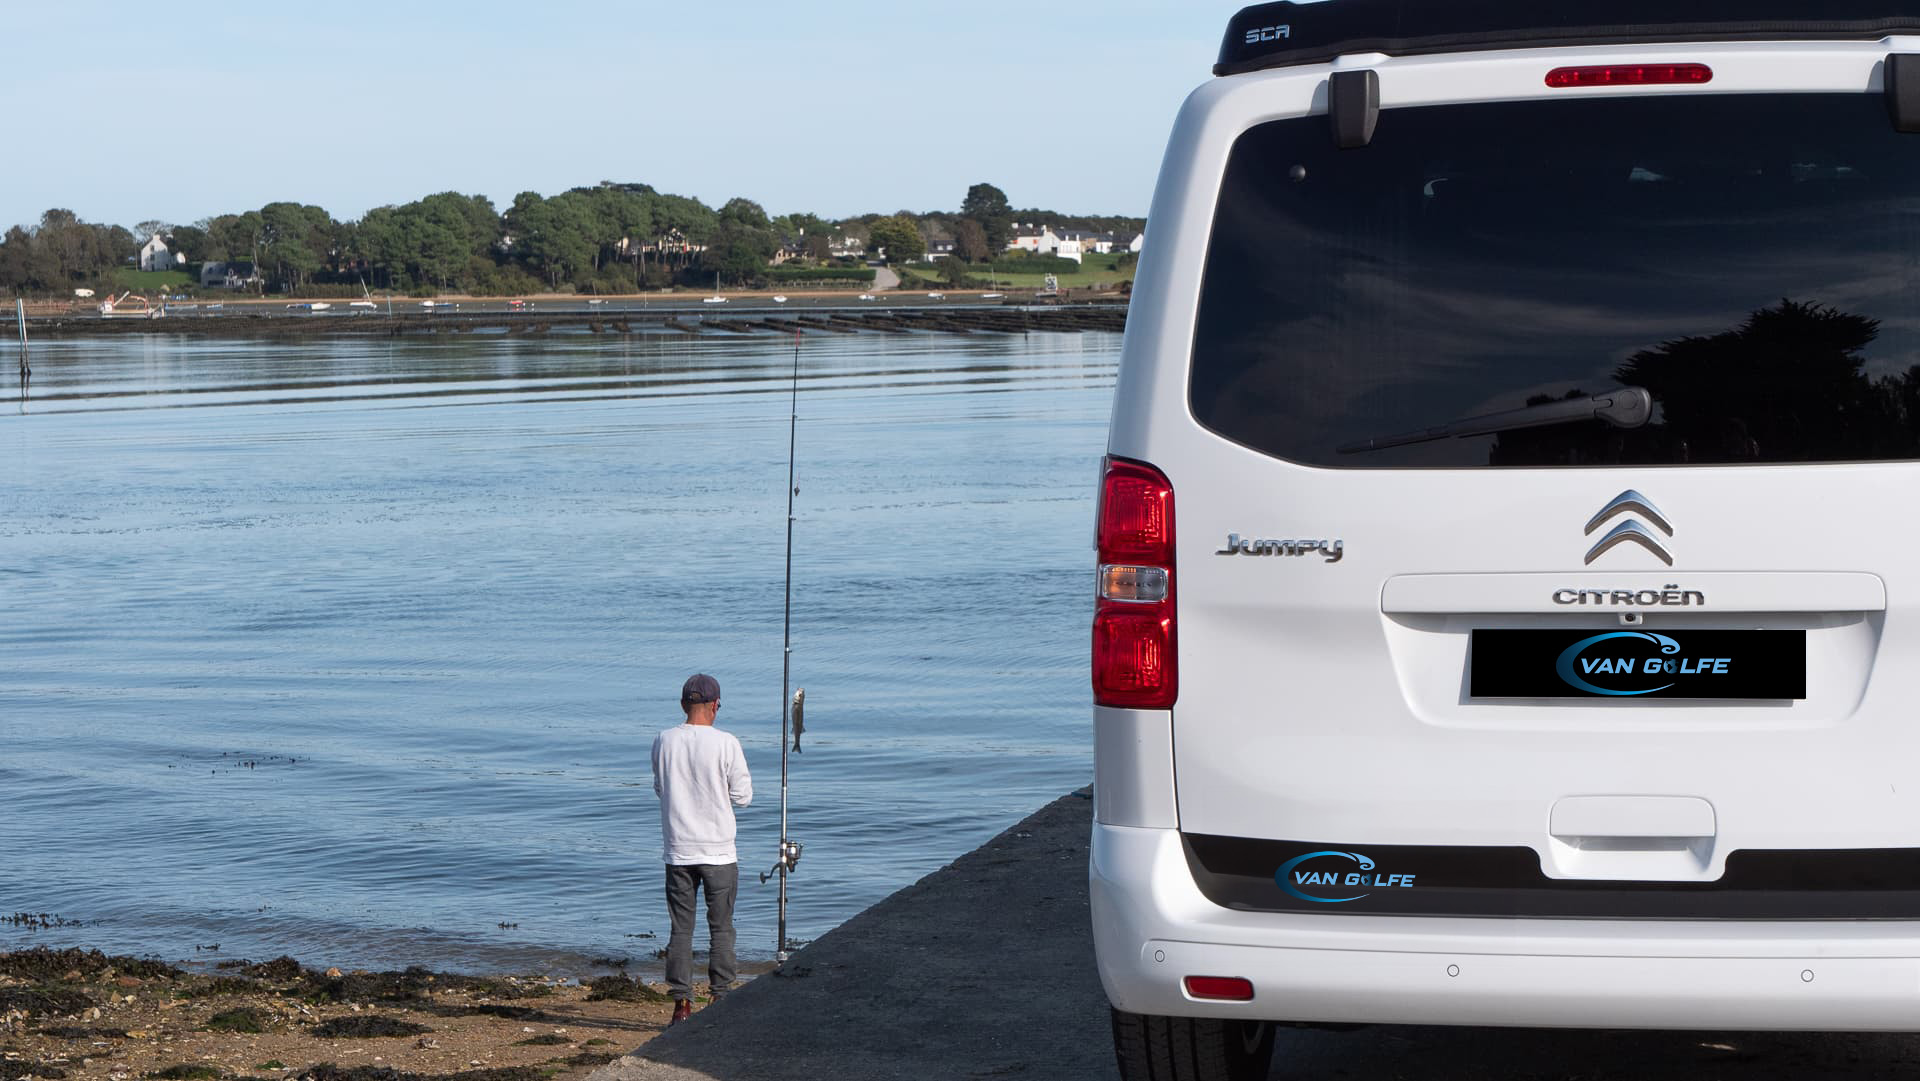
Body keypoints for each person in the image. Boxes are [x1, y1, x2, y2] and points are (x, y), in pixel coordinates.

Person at [652, 672, 752, 1025]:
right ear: (715, 706)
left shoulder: (663, 740)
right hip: (720, 852)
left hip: (678, 850)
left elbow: (660, 788)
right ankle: (720, 997)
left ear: (683, 705)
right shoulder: (726, 743)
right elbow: (743, 798)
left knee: (681, 929)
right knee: (721, 927)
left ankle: (681, 1004)